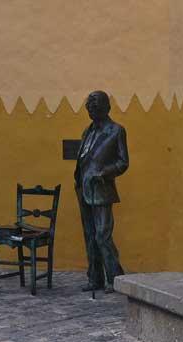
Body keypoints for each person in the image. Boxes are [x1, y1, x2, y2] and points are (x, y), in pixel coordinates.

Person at [74, 91, 129, 293]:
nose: (91, 110)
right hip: (83, 188)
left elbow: (123, 162)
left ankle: (115, 278)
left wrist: (104, 172)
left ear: (106, 108)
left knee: (103, 236)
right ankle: (94, 278)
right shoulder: (87, 132)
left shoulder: (116, 131)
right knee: (90, 236)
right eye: (89, 107)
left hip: (102, 189)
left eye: (94, 107)